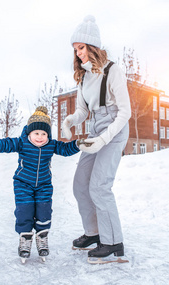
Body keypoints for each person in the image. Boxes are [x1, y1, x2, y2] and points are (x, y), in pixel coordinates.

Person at [62, 15, 131, 261]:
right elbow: (83, 110)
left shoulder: (113, 70)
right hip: (95, 128)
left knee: (100, 186)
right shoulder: (83, 77)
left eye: (80, 47)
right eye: (75, 49)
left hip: (115, 128)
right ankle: (94, 232)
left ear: (92, 46)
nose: (78, 53)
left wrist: (104, 139)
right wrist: (70, 121)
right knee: (80, 184)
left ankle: (113, 242)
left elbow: (126, 112)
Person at [0, 106, 80, 263]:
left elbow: (65, 149)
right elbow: (5, 144)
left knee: (44, 210)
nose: (40, 137)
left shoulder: (50, 145)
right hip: (23, 183)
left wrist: (79, 144)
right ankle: (25, 240)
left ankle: (42, 238)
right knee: (24, 210)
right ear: (29, 132)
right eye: (36, 133)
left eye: (44, 134)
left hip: (44, 184)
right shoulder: (22, 143)